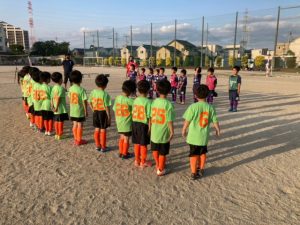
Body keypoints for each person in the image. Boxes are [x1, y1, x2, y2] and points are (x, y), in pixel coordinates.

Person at [182, 84, 220, 180]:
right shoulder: (210, 107)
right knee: (202, 153)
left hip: (193, 137)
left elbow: (187, 120)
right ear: (207, 95)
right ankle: (201, 168)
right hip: (203, 137)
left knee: (193, 154)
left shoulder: (193, 107)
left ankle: (194, 172)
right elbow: (215, 120)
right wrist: (217, 129)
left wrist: (184, 129)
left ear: (195, 95)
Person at [150, 79, 175, 176]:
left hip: (155, 131)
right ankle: (160, 169)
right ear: (169, 91)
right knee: (162, 152)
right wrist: (172, 131)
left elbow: (151, 116)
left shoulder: (154, 102)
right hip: (163, 132)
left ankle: (157, 164)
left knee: (155, 149)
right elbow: (169, 120)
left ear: (157, 90)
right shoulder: (168, 105)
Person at [113, 80, 136, 159]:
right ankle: (125, 153)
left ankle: (121, 152)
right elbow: (137, 105)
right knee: (126, 138)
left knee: (122, 137)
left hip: (119, 122)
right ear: (131, 91)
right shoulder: (129, 100)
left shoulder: (117, 98)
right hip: (127, 123)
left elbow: (114, 109)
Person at [88, 74, 112, 152]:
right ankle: (103, 147)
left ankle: (98, 145)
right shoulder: (105, 94)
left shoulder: (93, 92)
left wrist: (93, 109)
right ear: (105, 85)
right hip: (102, 113)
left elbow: (89, 102)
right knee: (103, 129)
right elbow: (107, 107)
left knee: (97, 129)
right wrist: (109, 117)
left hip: (96, 112)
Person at [132, 80, 152, 168]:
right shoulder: (148, 102)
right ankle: (143, 161)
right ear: (148, 90)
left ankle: (137, 160)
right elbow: (149, 117)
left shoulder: (135, 100)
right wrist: (150, 128)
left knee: (136, 143)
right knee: (143, 144)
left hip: (135, 123)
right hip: (143, 125)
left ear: (138, 90)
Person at [68, 70, 88, 146]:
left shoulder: (70, 88)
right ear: (81, 79)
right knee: (80, 124)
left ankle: (76, 139)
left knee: (74, 124)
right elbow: (84, 101)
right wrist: (86, 111)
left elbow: (70, 97)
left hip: (72, 110)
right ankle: (79, 140)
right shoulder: (81, 90)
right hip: (79, 110)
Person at [51, 72, 69, 140]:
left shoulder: (53, 88)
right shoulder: (60, 88)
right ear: (60, 79)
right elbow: (59, 98)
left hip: (55, 107)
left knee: (56, 121)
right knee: (61, 122)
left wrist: (52, 105)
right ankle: (60, 134)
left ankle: (57, 134)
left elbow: (52, 97)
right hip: (60, 108)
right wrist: (56, 107)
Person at [40, 72, 53, 136]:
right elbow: (52, 96)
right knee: (50, 118)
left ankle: (46, 130)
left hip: (43, 104)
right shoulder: (49, 87)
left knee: (45, 119)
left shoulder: (40, 86)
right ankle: (50, 130)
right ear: (47, 79)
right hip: (48, 103)